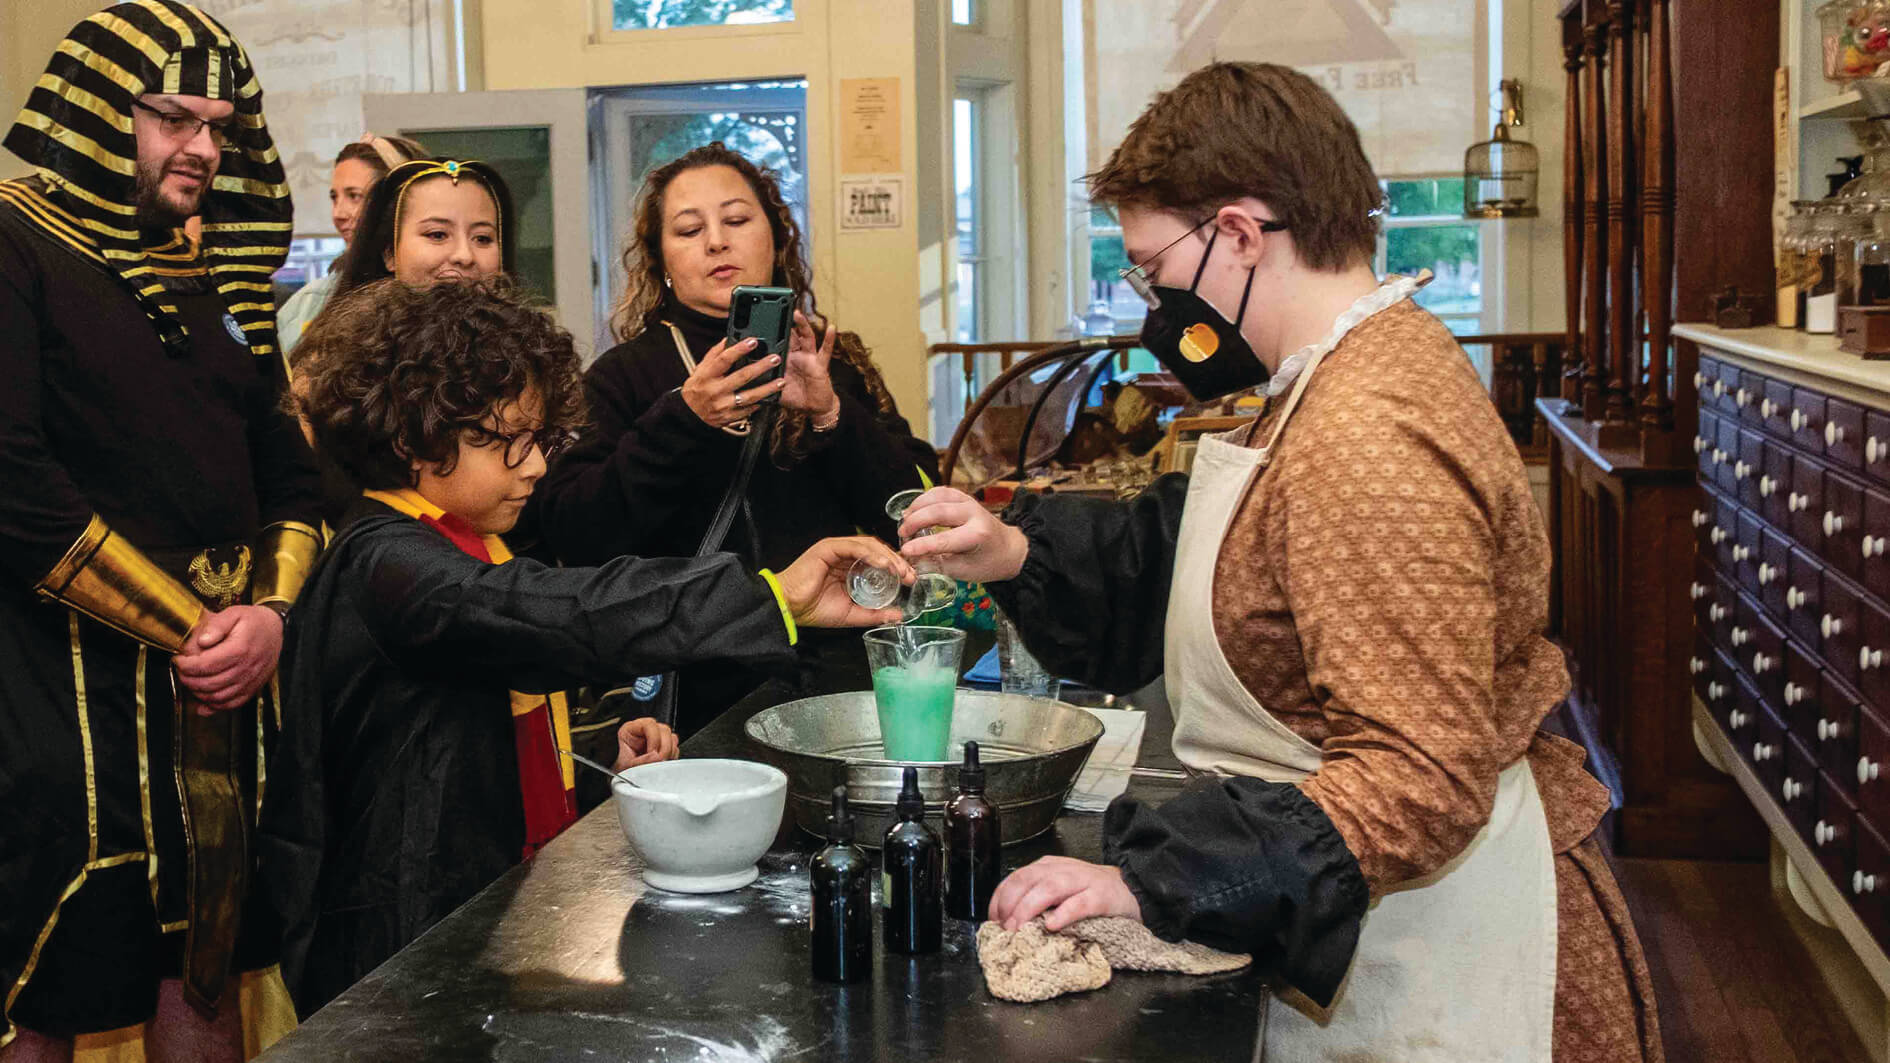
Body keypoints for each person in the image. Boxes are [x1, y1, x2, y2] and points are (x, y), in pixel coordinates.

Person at [900, 62, 1660, 1062]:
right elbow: (1225, 560)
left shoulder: (1369, 433)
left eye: (1152, 268)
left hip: (1438, 954)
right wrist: (1017, 552)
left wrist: (1155, 886)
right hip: (1352, 924)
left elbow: (1418, 777)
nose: (1154, 299)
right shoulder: (1331, 373)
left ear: (1240, 232)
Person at [260, 277, 911, 1016]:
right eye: (503, 442)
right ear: (411, 440)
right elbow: (561, 615)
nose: (535, 466)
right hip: (394, 955)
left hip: (458, 927)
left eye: (536, 441)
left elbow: (460, 738)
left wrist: (600, 759)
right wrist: (769, 597)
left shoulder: (459, 545)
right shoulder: (390, 563)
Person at [0, 3, 321, 1059]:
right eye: (173, 118)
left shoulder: (212, 265)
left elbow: (290, 472)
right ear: (99, 110)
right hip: (57, 704)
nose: (202, 148)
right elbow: (12, 476)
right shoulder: (13, 242)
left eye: (219, 126)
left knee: (210, 963)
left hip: (227, 690)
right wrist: (192, 625)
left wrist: (269, 613)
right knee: (44, 985)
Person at [531, 143, 938, 737]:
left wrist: (830, 413)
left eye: (738, 221)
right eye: (689, 229)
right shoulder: (624, 376)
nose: (716, 242)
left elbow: (915, 516)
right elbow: (576, 535)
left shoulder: (834, 362)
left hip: (845, 680)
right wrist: (684, 420)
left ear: (776, 239)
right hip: (695, 688)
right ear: (660, 261)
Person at [290, 157, 515, 531]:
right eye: (437, 235)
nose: (464, 255)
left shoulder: (519, 362)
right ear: (389, 254)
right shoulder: (332, 372)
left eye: (483, 238)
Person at [274, 134, 426, 357]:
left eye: (354, 196)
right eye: (334, 198)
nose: (338, 214)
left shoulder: (433, 295)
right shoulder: (310, 302)